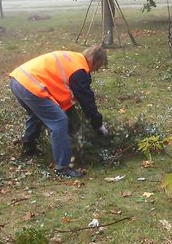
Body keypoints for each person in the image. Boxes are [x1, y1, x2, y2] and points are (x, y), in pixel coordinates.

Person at [9, 45, 109, 178]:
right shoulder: (79, 71)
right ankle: (62, 167)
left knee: (38, 113)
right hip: (30, 85)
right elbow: (87, 100)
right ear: (94, 61)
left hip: (18, 80)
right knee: (59, 121)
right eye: (97, 68)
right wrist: (98, 124)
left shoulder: (73, 58)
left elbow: (62, 93)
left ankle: (28, 146)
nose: (94, 71)